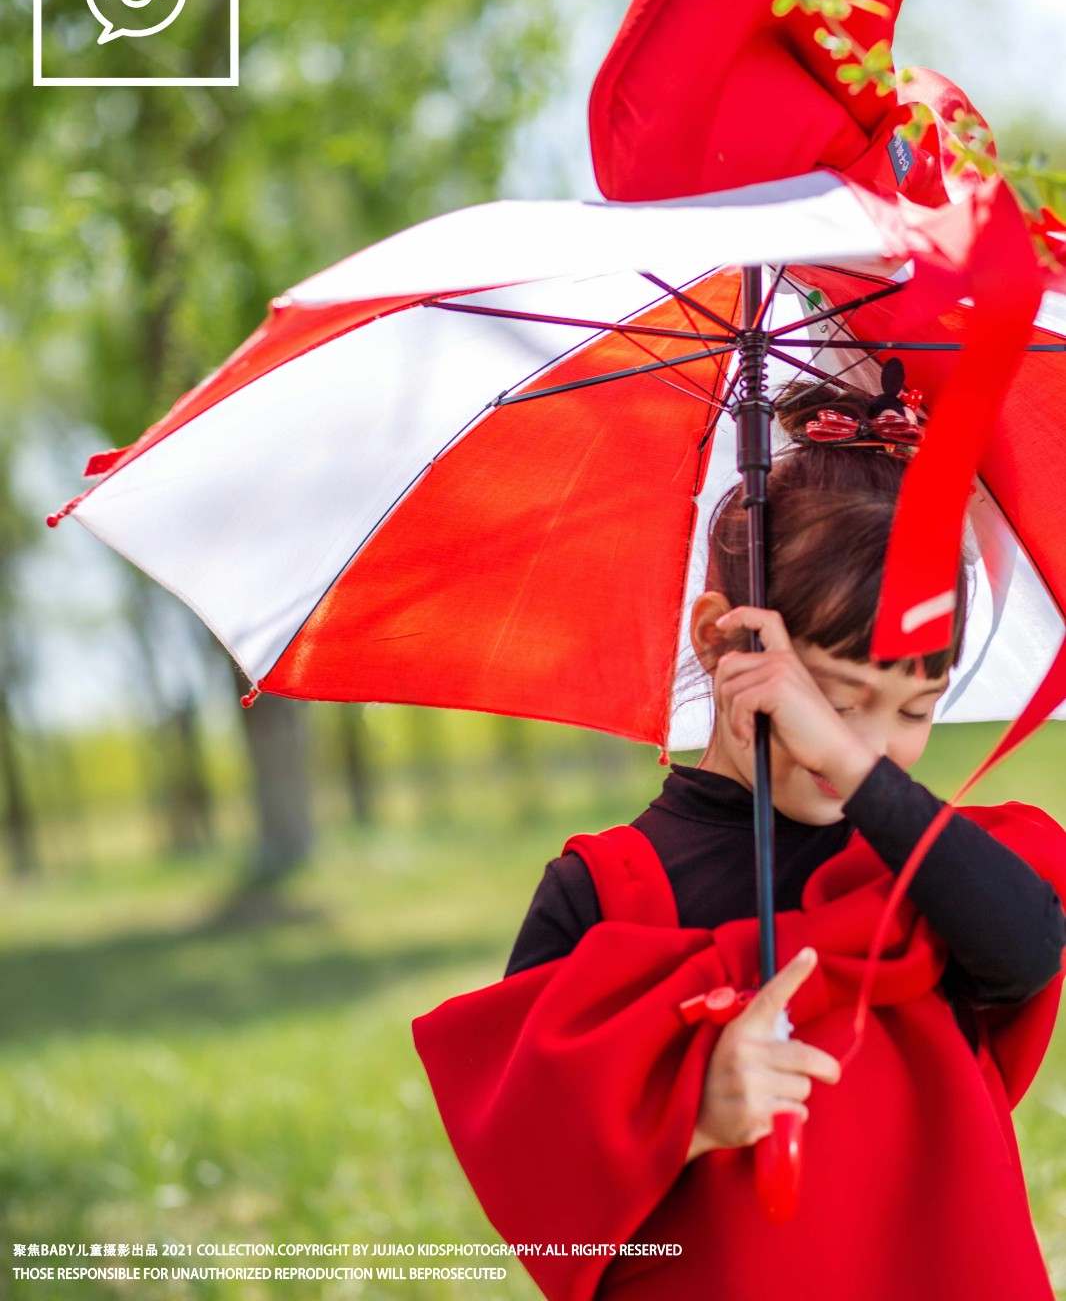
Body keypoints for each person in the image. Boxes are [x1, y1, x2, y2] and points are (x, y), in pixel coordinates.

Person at [413, 377, 1066, 1301]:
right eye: (835, 699)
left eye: (916, 709)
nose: (872, 744)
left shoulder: (929, 866)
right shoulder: (609, 889)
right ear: (724, 641)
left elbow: (1028, 952)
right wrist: (692, 1113)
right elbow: (531, 1153)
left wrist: (840, 751)